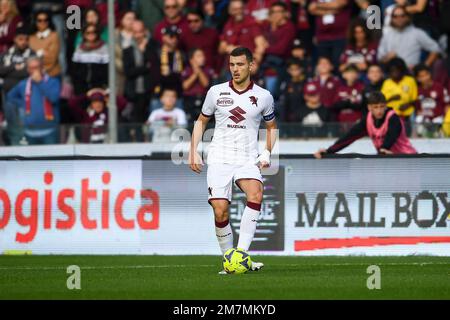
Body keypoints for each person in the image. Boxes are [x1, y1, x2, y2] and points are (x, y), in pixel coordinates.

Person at [189, 47, 277, 273]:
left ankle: (241, 254)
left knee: (256, 193)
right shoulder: (215, 92)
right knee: (220, 211)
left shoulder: (264, 96)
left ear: (251, 65)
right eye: (232, 65)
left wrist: (267, 152)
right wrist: (193, 149)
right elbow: (201, 121)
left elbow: (272, 127)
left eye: (239, 64)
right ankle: (229, 262)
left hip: (247, 158)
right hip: (219, 157)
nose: (235, 69)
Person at [314, 91, 417, 157]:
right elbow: (349, 137)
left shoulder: (393, 118)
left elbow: (391, 135)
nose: (379, 110)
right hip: (389, 160)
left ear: (385, 106)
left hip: (408, 158)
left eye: (382, 106)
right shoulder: (367, 120)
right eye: (376, 107)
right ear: (369, 108)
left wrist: (384, 148)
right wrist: (329, 151)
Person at [6, 56, 61, 145]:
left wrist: (40, 82)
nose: (34, 70)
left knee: (51, 158)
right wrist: (22, 103)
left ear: (42, 68)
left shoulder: (53, 82)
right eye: (31, 68)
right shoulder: (23, 84)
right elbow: (10, 96)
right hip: (29, 132)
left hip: (50, 131)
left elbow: (53, 98)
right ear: (28, 69)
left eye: (37, 67)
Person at [381, 57, 418, 135]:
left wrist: (408, 104)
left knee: (408, 136)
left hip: (407, 116)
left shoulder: (410, 81)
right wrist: (391, 98)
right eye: (392, 71)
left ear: (402, 70)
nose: (395, 72)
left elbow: (415, 99)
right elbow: (381, 101)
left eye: (397, 70)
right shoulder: (386, 83)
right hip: (391, 116)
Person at [71, 24, 109, 95]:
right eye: (88, 32)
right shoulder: (79, 48)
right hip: (81, 87)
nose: (91, 34)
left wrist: (104, 86)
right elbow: (75, 69)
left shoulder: (104, 48)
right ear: (84, 34)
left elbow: (106, 70)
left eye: (93, 32)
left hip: (98, 88)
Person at [413, 63, 450, 136]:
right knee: (417, 120)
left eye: (426, 75)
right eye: (421, 76)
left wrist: (445, 121)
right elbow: (417, 108)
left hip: (438, 119)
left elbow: (447, 105)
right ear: (417, 78)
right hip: (424, 119)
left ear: (430, 74)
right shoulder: (417, 90)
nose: (425, 78)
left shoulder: (440, 88)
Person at [182, 48, 215, 122]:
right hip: (189, 100)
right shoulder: (186, 70)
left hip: (204, 99)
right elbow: (185, 86)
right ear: (191, 60)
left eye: (203, 56)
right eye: (199, 56)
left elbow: (206, 84)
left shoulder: (208, 70)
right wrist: (195, 74)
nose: (203, 58)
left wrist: (198, 70)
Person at [29, 10, 61, 77]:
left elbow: (52, 58)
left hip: (52, 74)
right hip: (33, 75)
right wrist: (43, 53)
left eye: (45, 20)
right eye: (39, 20)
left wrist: (37, 54)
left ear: (49, 21)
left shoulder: (54, 36)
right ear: (35, 21)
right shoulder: (31, 37)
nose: (43, 22)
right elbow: (29, 58)